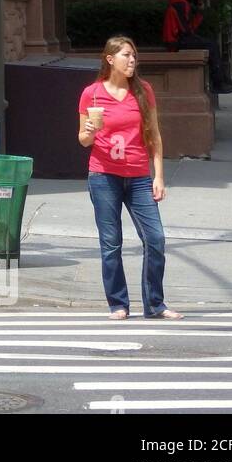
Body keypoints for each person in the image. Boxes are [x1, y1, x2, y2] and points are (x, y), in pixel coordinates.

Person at [78, 35, 183, 320]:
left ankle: (155, 303)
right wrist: (88, 130)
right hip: (103, 176)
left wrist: (158, 176)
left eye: (134, 55)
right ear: (110, 59)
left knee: (155, 238)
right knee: (111, 243)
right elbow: (84, 140)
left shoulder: (143, 90)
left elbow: (154, 135)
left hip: (138, 175)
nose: (132, 60)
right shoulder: (92, 94)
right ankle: (118, 303)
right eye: (127, 55)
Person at [161, 0, 232, 93]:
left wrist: (199, 11)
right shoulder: (180, 4)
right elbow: (185, 29)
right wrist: (195, 36)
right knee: (212, 45)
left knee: (211, 43)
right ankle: (218, 84)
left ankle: (222, 79)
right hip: (176, 41)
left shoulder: (182, 3)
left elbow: (189, 27)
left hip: (179, 38)